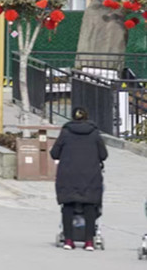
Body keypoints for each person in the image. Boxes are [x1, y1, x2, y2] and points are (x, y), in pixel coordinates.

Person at [50, 107, 108, 251]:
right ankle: (89, 241)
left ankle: (68, 240)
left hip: (68, 175)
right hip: (90, 175)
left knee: (68, 205)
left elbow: (54, 153)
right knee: (89, 205)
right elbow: (103, 155)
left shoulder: (65, 132)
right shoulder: (94, 133)